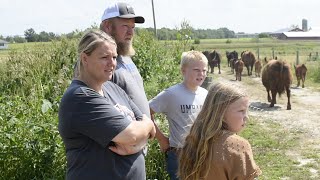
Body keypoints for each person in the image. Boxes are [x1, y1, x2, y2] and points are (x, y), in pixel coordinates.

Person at [58, 29, 156, 180]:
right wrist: (138, 134)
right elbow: (133, 134)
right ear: (85, 58)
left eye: (115, 57)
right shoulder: (80, 97)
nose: (112, 64)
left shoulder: (113, 88)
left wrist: (136, 142)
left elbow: (149, 131)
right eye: (104, 57)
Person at [178, 82, 262, 180]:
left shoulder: (193, 139)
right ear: (221, 113)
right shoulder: (238, 145)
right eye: (241, 111)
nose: (246, 117)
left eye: (247, 111)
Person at [149, 51, 208, 180]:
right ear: (183, 71)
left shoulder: (206, 95)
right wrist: (161, 139)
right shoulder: (172, 94)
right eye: (196, 70)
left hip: (202, 152)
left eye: (204, 70)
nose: (201, 74)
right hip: (179, 154)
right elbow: (146, 111)